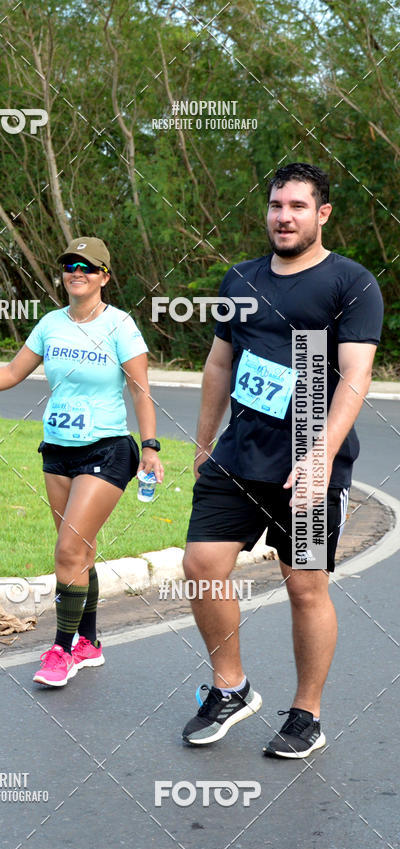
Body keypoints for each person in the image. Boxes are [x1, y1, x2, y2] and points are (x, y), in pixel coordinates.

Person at [181, 162, 383, 758]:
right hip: (238, 455)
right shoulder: (240, 279)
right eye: (276, 205)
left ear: (322, 214)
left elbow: (355, 375)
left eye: (297, 206)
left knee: (305, 586)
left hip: (310, 462)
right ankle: (231, 688)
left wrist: (320, 456)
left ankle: (306, 715)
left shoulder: (350, 283)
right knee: (201, 565)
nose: (284, 217)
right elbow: (219, 364)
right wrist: (204, 441)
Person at [0, 236, 163, 687]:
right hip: (57, 449)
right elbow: (11, 373)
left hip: (107, 448)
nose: (76, 273)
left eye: (86, 267)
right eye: (69, 266)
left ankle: (61, 650)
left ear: (104, 277)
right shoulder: (51, 324)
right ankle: (89, 643)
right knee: (80, 551)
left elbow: (141, 390)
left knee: (67, 551)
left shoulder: (120, 325)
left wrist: (151, 446)